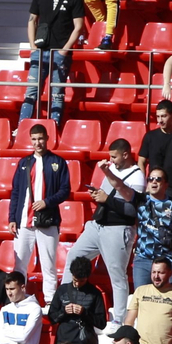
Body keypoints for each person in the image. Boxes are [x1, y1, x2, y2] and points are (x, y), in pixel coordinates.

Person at [65, 140, 144, 330]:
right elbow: (105, 197)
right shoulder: (111, 169)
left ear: (126, 154)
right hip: (97, 225)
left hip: (118, 229)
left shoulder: (137, 176)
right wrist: (98, 196)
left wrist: (107, 199)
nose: (111, 160)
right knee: (73, 256)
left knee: (117, 275)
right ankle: (64, 301)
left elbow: (132, 209)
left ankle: (119, 319)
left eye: (114, 157)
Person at [10, 125, 71, 302]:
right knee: (20, 264)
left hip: (48, 221)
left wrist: (47, 202)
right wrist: (12, 218)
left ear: (47, 138)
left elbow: (65, 190)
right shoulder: (24, 163)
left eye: (41, 138)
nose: (38, 143)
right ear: (30, 140)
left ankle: (50, 301)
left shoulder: (58, 162)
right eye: (34, 139)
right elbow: (15, 192)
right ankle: (18, 299)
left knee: (48, 264)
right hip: (24, 221)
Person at [22, 0, 83, 127]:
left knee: (57, 94)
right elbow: (32, 20)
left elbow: (79, 26)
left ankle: (54, 127)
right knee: (31, 92)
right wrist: (32, 47)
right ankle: (23, 127)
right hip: (40, 50)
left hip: (60, 52)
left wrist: (65, 50)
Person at [50, 258, 108, 344]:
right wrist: (64, 311)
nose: (77, 284)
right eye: (75, 280)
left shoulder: (94, 293)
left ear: (87, 277)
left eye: (81, 281)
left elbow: (101, 323)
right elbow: (52, 317)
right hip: (62, 342)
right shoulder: (62, 290)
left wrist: (84, 312)